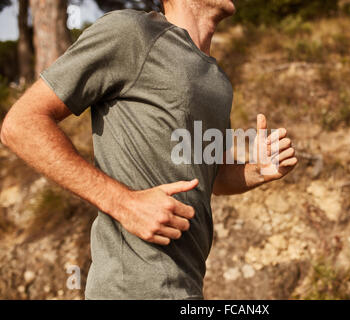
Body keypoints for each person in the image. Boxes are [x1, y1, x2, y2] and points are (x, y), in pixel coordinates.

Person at [0, 0, 298, 299]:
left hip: (187, 289)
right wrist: (123, 202)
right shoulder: (131, 33)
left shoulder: (217, 80)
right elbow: (21, 124)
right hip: (128, 288)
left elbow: (213, 178)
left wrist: (258, 170)